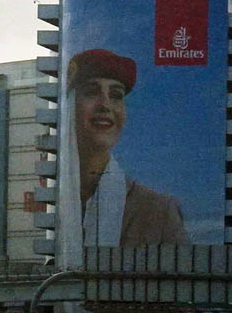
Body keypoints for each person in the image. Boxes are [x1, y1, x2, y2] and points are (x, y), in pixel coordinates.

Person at [67, 48, 189, 246]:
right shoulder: (58, 198)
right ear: (69, 105)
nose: (105, 105)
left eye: (116, 95)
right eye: (91, 92)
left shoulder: (159, 211)